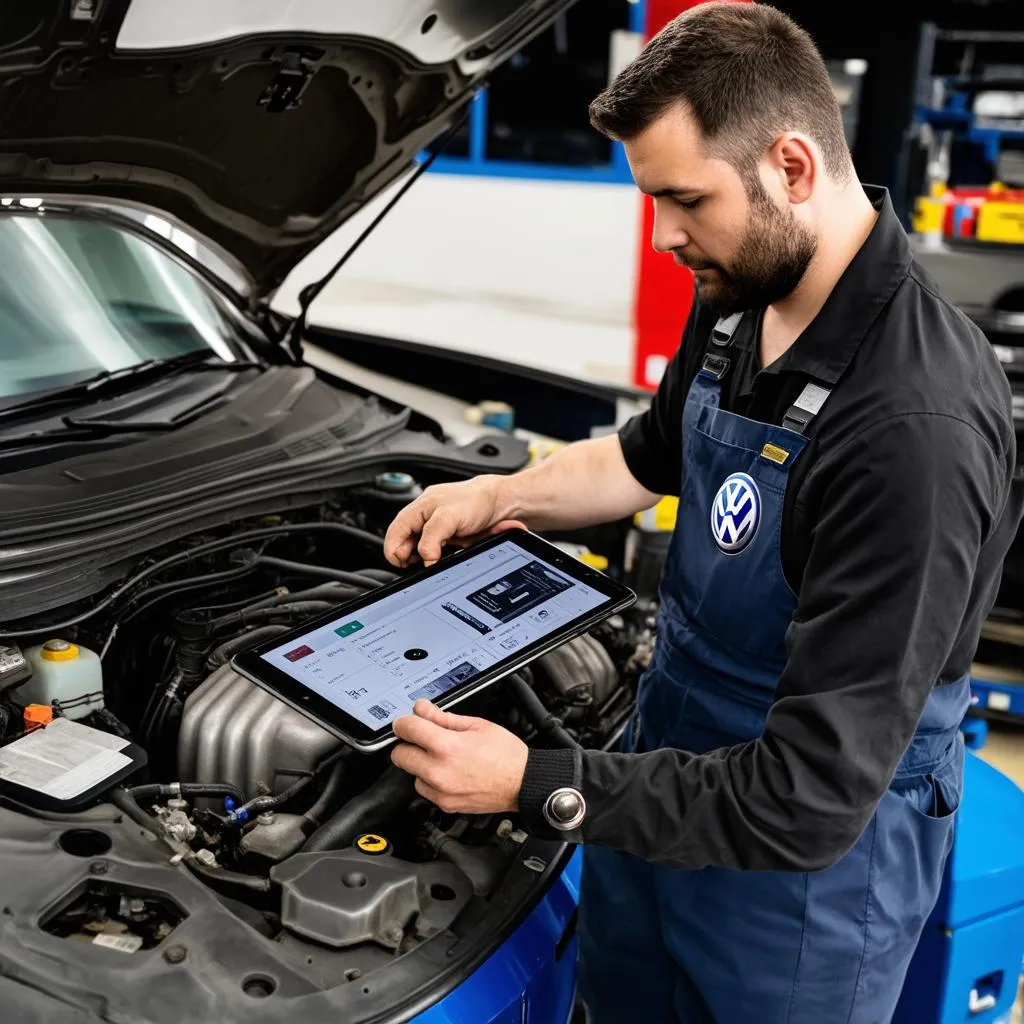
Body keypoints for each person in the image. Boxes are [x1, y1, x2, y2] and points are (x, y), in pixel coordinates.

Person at [383, 4, 1022, 1022]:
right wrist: (502, 493)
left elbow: (810, 799)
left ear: (792, 165)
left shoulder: (911, 426)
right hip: (662, 785)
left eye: (685, 199)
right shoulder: (738, 295)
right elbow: (645, 460)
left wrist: (537, 780)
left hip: (804, 887)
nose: (667, 236)